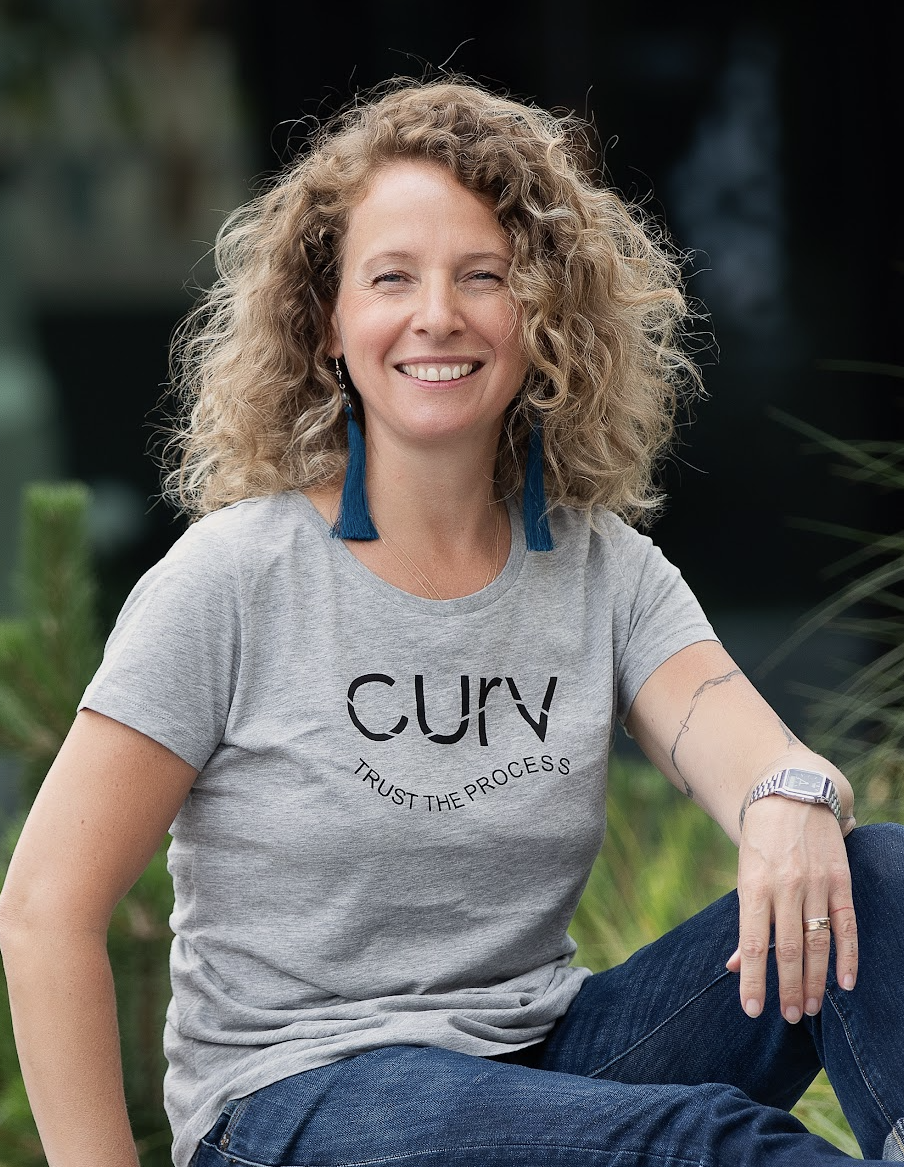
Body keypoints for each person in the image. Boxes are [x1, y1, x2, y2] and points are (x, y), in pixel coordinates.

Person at [0, 78, 901, 1167]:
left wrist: (791, 796)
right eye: (392, 278)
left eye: (483, 276)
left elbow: (757, 757)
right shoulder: (233, 578)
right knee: (696, 1142)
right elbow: (46, 904)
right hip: (302, 1096)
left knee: (877, 879)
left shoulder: (597, 566)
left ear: (542, 318)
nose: (438, 314)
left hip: (546, 1061)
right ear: (327, 319)